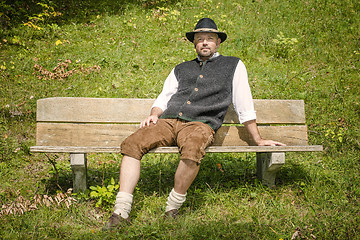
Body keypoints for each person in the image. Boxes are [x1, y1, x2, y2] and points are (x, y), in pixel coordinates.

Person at [103, 18, 285, 230]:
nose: (204, 43)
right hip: (168, 121)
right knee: (132, 144)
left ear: (218, 43)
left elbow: (243, 102)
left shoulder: (234, 65)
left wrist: (258, 139)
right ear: (194, 44)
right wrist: (154, 114)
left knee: (192, 149)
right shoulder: (180, 68)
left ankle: (172, 208)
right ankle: (121, 211)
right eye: (200, 39)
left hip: (200, 124)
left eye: (209, 39)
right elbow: (164, 97)